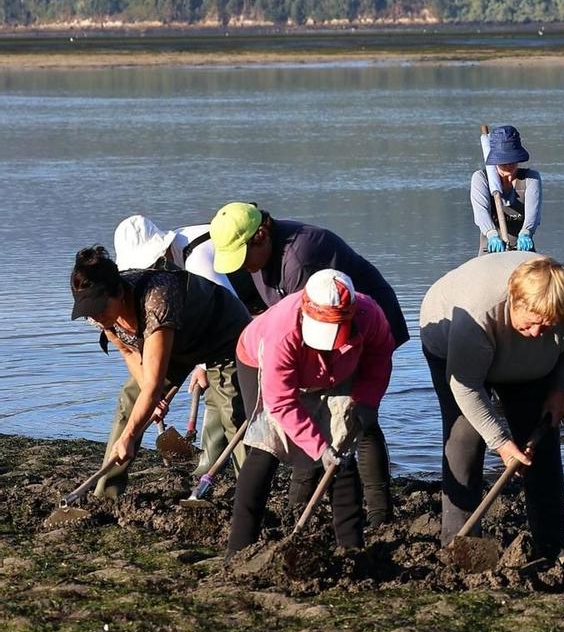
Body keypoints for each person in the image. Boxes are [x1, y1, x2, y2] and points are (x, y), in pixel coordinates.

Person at [209, 201, 408, 521]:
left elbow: (318, 342)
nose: (241, 266)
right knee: (301, 422)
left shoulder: (300, 259)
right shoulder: (260, 256)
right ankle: (299, 509)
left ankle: (379, 516)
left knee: (358, 418)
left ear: (260, 235)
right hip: (321, 335)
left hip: (358, 332)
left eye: (243, 257)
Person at [419, 252, 564, 557]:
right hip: (453, 349)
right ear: (514, 301)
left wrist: (560, 390)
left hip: (530, 366)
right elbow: (465, 387)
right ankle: (458, 543)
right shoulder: (478, 313)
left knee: (540, 439)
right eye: (530, 324)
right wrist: (501, 443)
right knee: (466, 436)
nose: (536, 334)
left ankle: (552, 543)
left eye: (547, 326)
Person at [228, 270, 395, 555]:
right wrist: (318, 448)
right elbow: (281, 402)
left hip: (339, 366)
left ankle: (351, 548)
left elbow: (380, 356)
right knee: (266, 445)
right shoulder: (282, 331)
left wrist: (367, 400)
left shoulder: (369, 315)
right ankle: (239, 549)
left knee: (341, 452)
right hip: (260, 361)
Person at [68, 245, 250, 495]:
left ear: (119, 292)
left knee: (233, 413)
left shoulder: (156, 300)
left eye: (100, 308)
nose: (96, 317)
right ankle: (107, 493)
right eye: (90, 312)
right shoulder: (103, 316)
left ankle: (252, 494)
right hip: (176, 342)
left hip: (223, 336)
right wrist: (145, 402)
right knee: (131, 400)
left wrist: (130, 435)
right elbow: (129, 351)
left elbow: (154, 387)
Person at [113, 214, 241, 471]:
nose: (148, 274)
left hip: (237, 316)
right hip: (191, 322)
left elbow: (225, 314)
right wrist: (151, 392)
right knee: (133, 395)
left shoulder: (197, 258)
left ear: (164, 249)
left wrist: (203, 366)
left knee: (224, 399)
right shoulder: (159, 279)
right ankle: (108, 486)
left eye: (151, 264)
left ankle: (213, 468)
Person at [471, 124, 541, 253]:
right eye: (503, 162)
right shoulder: (480, 178)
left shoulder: (531, 178)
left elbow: (533, 213)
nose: (508, 165)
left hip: (523, 248)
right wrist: (491, 234)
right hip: (491, 248)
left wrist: (526, 231)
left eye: (512, 160)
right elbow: (480, 212)